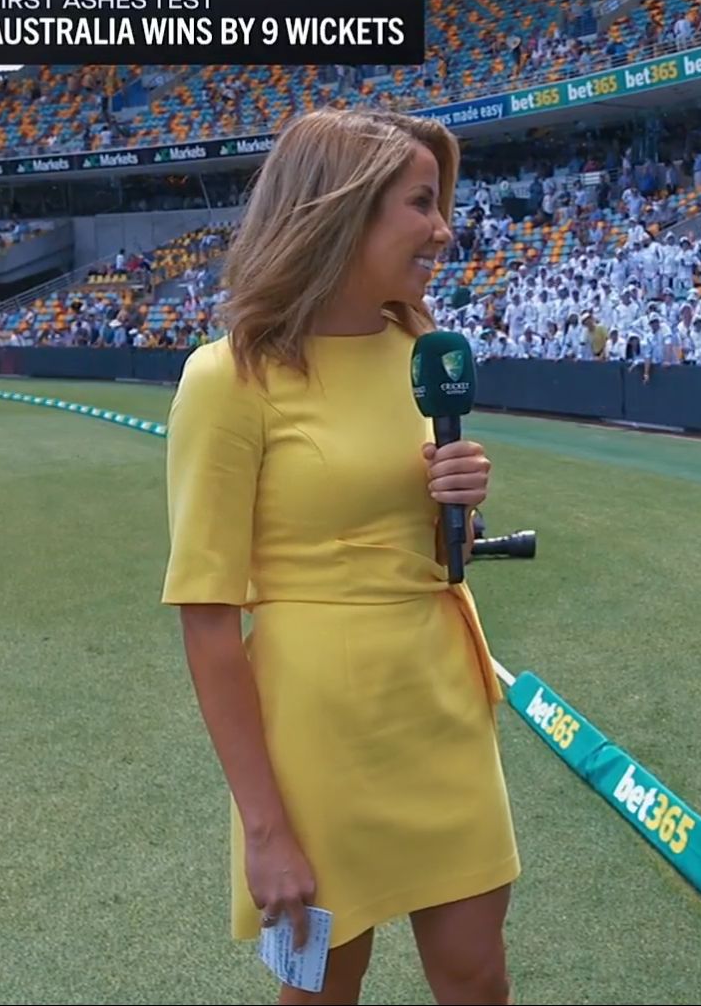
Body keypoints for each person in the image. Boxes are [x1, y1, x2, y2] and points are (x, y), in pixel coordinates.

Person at [161, 108, 520, 1005]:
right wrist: (265, 830)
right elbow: (207, 620)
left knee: (478, 976)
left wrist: (460, 508)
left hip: (440, 701)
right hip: (317, 733)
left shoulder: (423, 352)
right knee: (324, 990)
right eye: (421, 203)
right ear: (340, 210)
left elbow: (420, 544)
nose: (444, 229)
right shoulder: (228, 378)